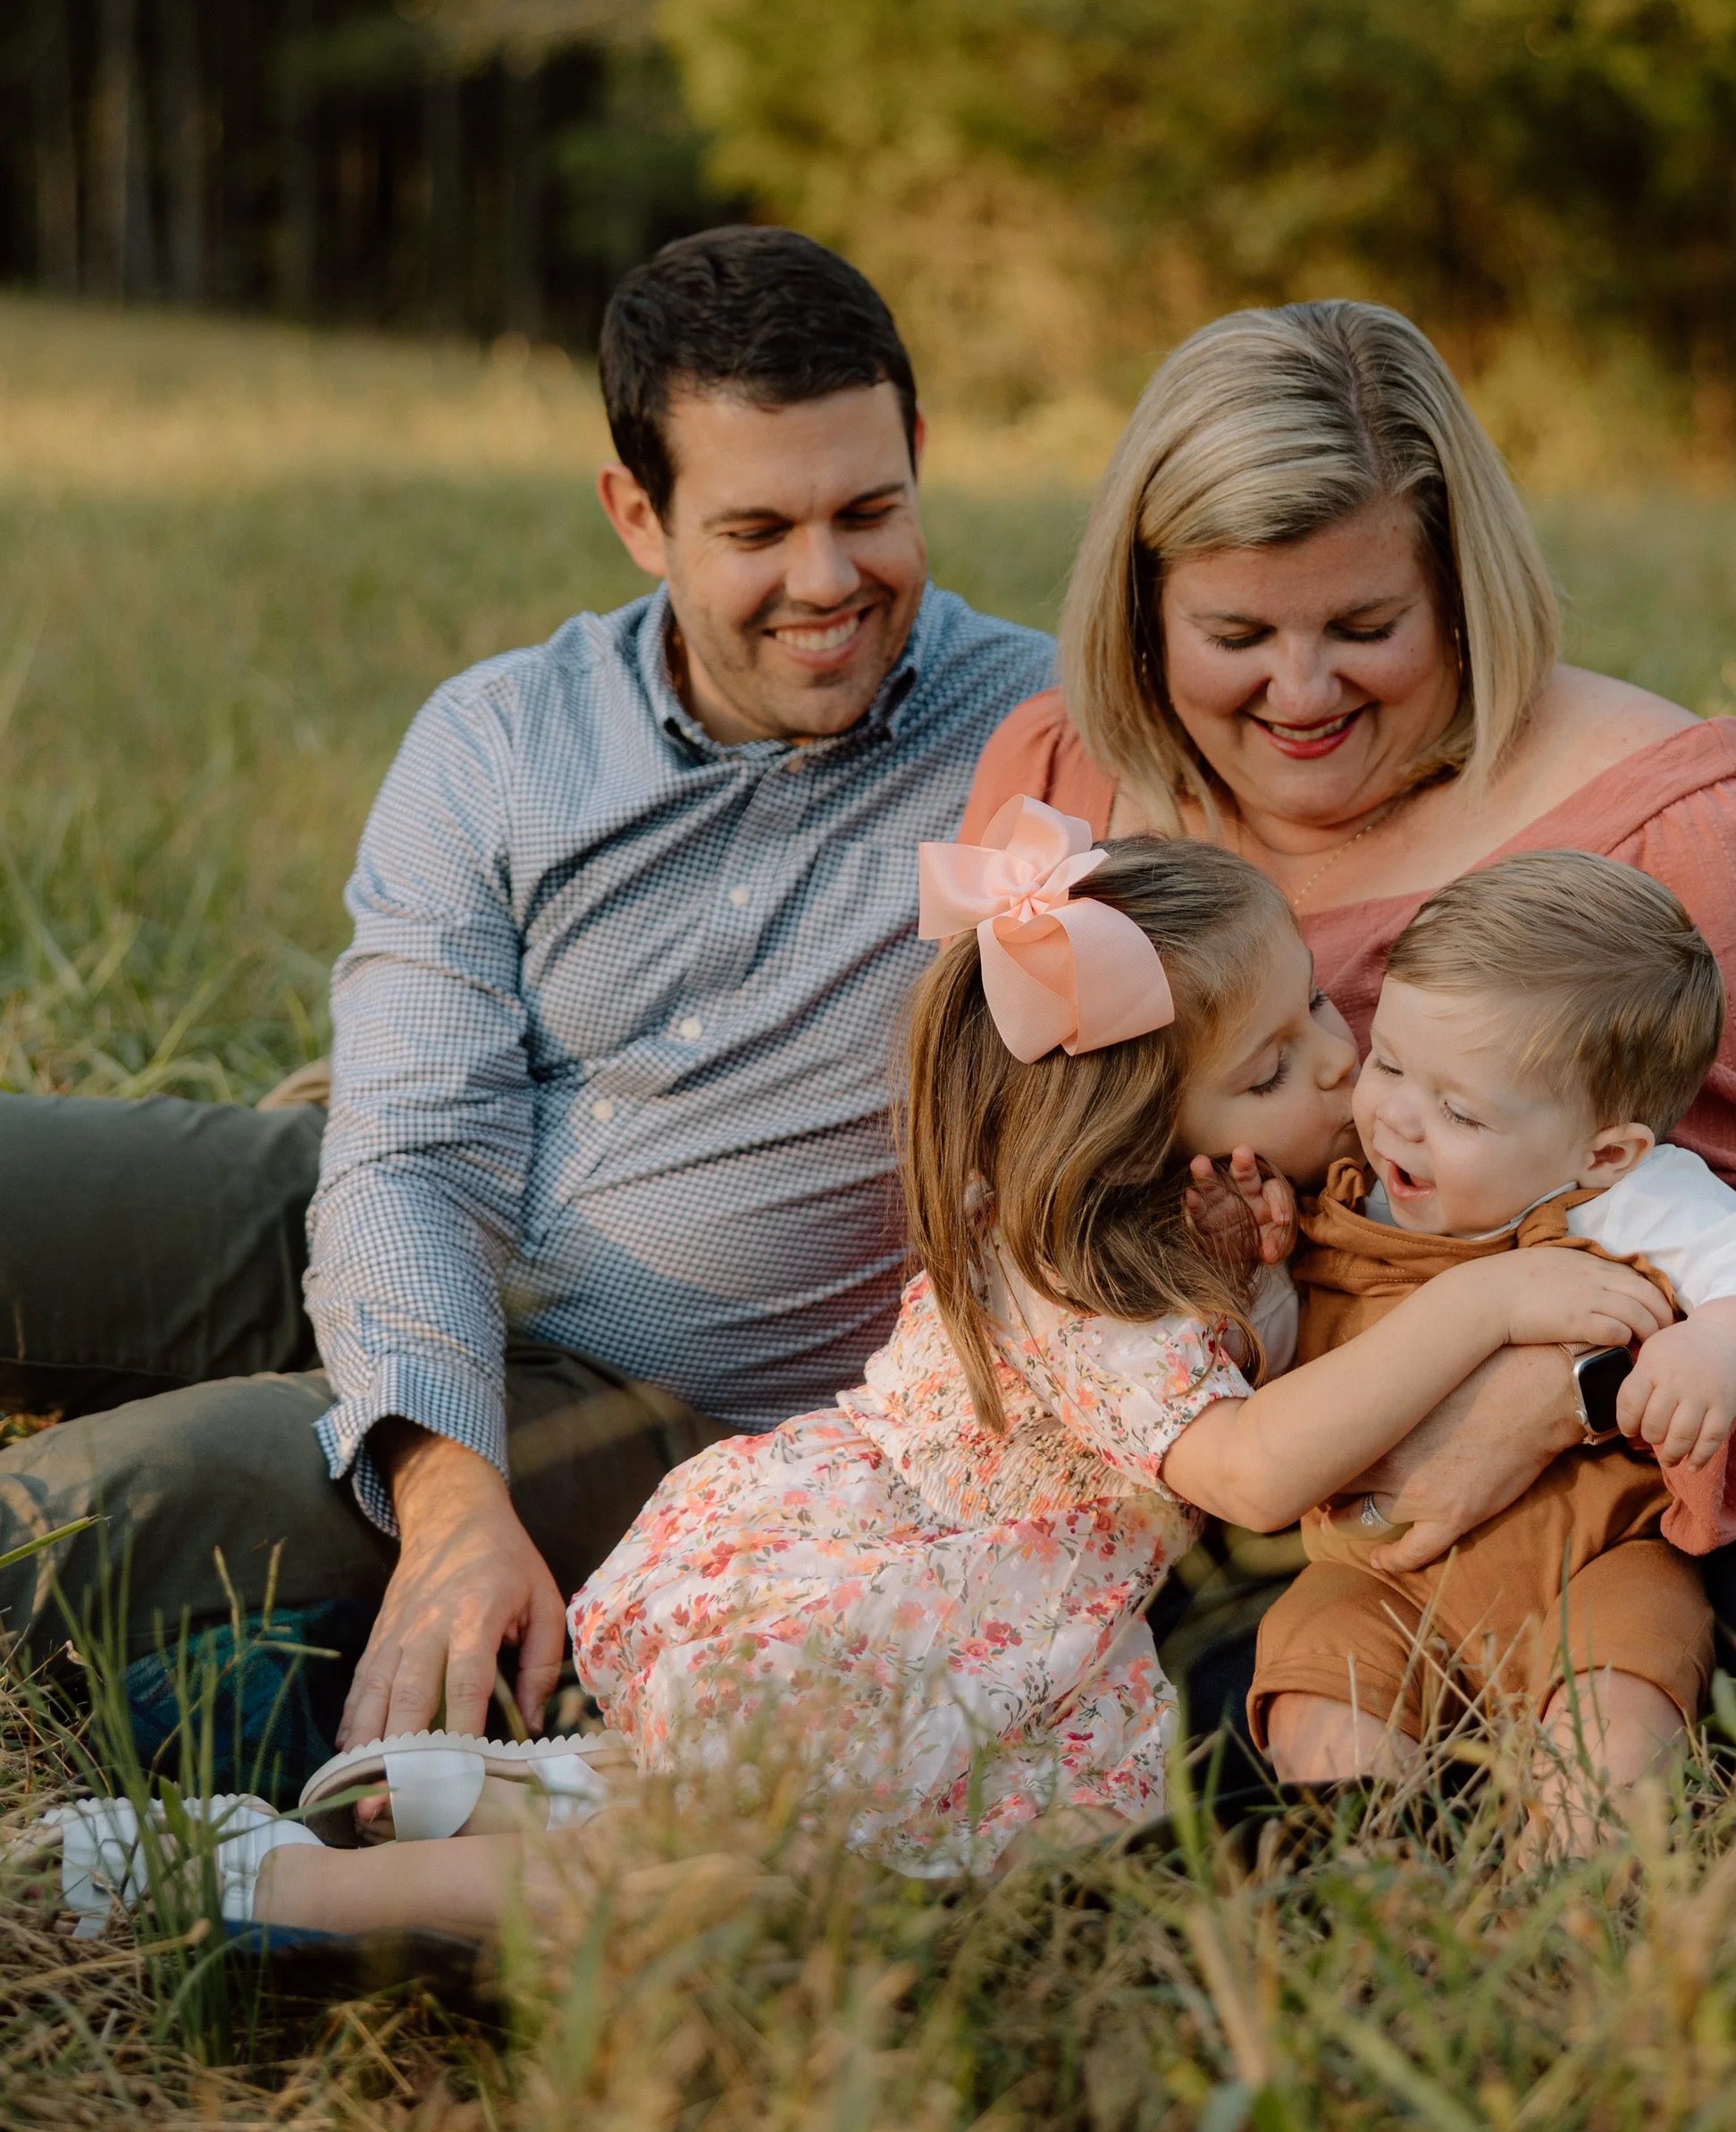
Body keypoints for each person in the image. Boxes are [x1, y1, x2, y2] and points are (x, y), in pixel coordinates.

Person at [47, 810, 1697, 1937]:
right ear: (1134, 1140)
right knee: (736, 1877)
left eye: (1319, 1022)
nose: (1340, 1066)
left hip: (900, 1580)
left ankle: (487, 1796)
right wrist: (1489, 1312)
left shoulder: (1153, 1229)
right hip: (902, 1613)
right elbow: (1257, 1471)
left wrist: (1261, 1271)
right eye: (1278, 1066)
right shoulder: (1081, 1289)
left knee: (717, 1822)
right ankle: (266, 1888)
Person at [963, 298, 1736, 1732]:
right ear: (1143, 608)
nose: (1301, 689)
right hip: (1259, 1412)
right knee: (1147, 1724)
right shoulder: (1062, 789)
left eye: (1366, 626)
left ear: (1461, 591)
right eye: (1235, 631)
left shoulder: (1693, 826)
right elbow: (1002, 1149)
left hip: (1711, 1372)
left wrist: (1550, 1392)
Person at [0, 229, 1054, 1757]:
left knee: (84, 1514)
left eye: (870, 512)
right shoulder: (503, 735)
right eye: (757, 528)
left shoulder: (1045, 740)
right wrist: (448, 1501)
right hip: (430, 1217)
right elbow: (413, 1152)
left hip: (668, 1399)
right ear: (639, 514)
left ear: (921, 459)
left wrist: (463, 1501)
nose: (828, 582)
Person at [1250, 852, 1736, 1826]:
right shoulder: (1350, 1186)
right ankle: (1365, 1879)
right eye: (1388, 1061)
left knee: (1619, 1706)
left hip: (1599, 1567)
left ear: (1602, 1151)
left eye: (1459, 1110)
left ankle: (1572, 1885)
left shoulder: (1625, 1200)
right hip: (1382, 1578)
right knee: (1322, 1685)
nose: (1397, 1115)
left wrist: (1724, 1345)